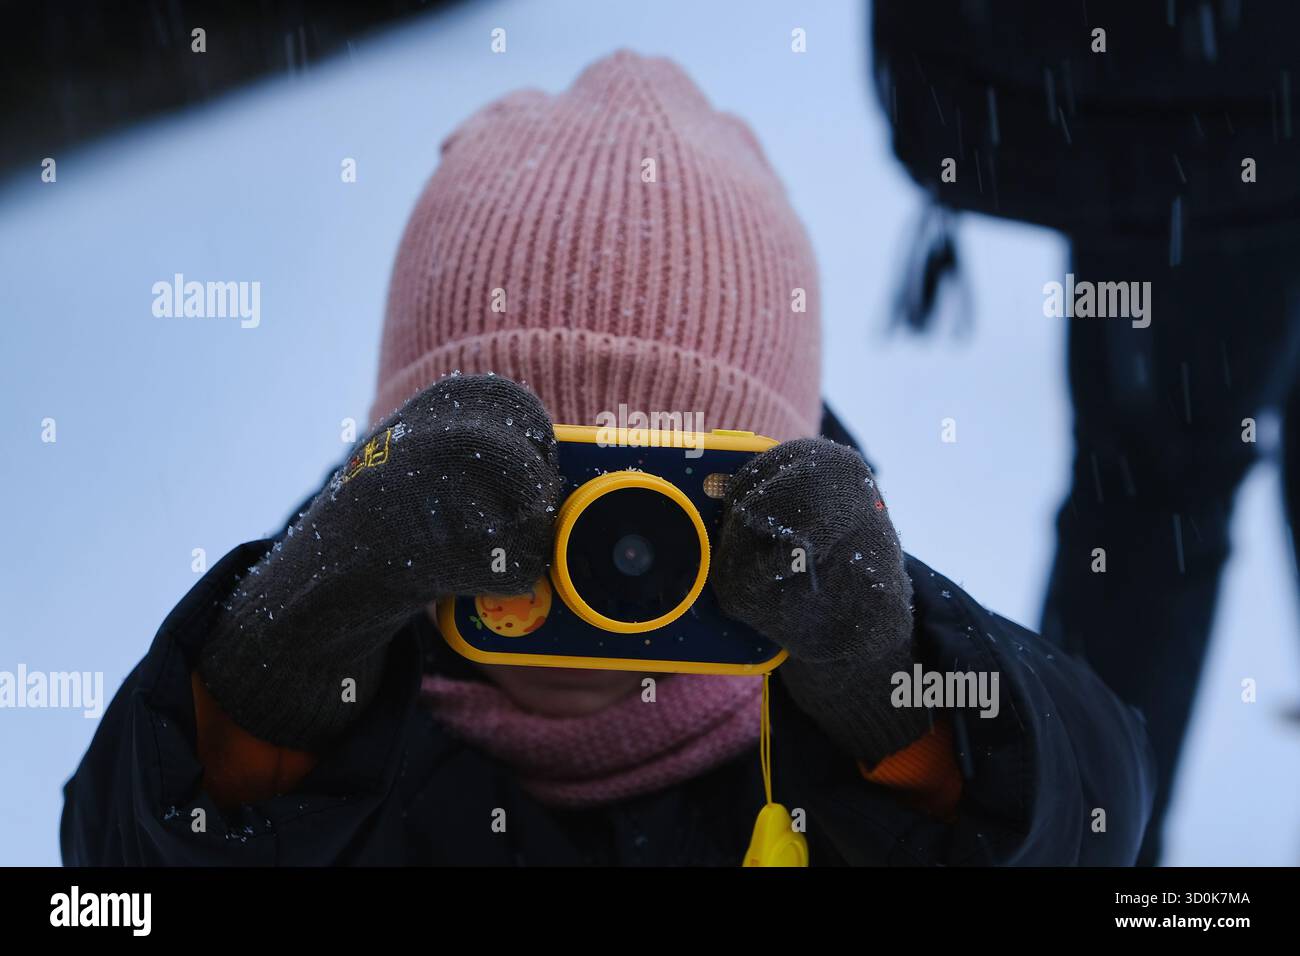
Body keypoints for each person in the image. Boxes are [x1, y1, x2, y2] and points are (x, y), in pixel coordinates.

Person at [61, 51, 1153, 866]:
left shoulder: (823, 715)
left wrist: (894, 698)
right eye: (524, 510)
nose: (603, 568)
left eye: (663, 515)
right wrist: (277, 675)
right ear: (403, 498)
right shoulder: (343, 675)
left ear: (776, 489)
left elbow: (1085, 826)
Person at [871, 0, 1300, 864]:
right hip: (1206, 114)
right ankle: (1092, 846)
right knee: (1152, 490)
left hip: (1192, 110)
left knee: (1150, 494)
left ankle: (1086, 842)